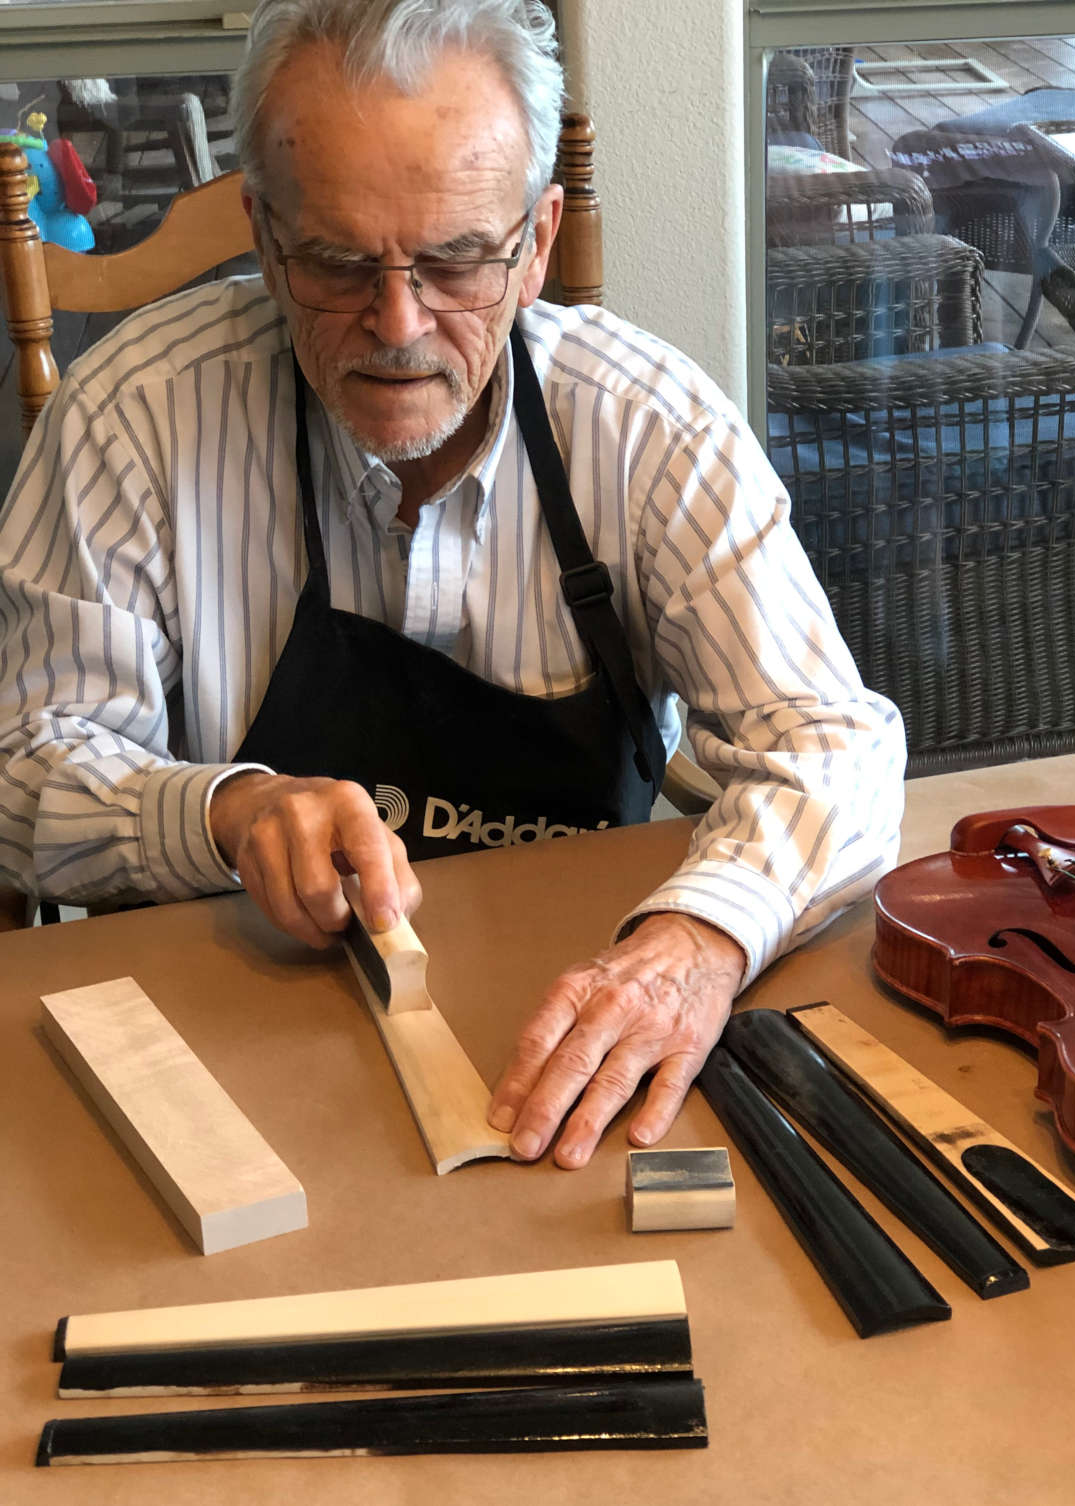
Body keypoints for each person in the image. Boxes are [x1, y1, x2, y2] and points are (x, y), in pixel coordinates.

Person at [0, 0, 905, 1168]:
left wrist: (696, 944)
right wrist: (227, 813)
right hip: (219, 1054)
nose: (398, 324)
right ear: (264, 236)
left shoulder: (646, 426)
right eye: (335, 262)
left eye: (458, 259)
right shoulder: (131, 420)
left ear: (536, 243)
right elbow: (25, 771)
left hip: (574, 1032)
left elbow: (835, 747)